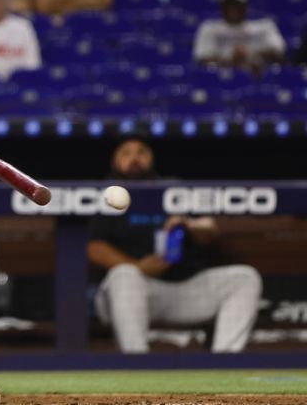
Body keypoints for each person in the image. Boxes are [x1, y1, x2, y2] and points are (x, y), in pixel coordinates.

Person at [87, 135, 262, 354]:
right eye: (126, 153)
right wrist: (138, 267)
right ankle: (136, 365)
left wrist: (187, 223)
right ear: (114, 162)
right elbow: (94, 247)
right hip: (132, 291)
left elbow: (209, 230)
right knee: (125, 274)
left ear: (152, 158)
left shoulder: (173, 188)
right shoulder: (104, 194)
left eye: (141, 152)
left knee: (245, 278)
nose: (135, 158)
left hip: (182, 289)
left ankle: (223, 364)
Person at [193, 0, 286, 71]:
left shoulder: (265, 25)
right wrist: (231, 60)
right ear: (220, 6)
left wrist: (250, 55)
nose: (232, 9)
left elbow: (279, 53)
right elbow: (202, 60)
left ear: (245, 4)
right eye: (228, 4)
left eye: (236, 4)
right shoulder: (208, 28)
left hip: (260, 80)